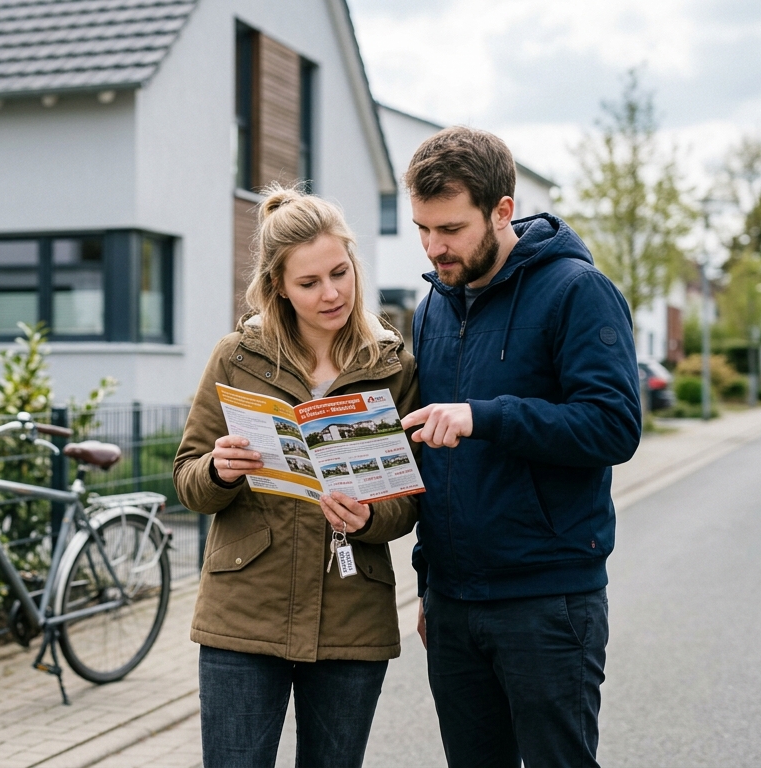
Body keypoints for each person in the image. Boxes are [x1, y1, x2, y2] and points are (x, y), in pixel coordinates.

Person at [399, 126, 642, 767]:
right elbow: (434, 458)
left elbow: (614, 425)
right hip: (453, 603)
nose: (433, 247)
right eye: (423, 228)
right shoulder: (432, 307)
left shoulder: (576, 291)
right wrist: (429, 584)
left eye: (449, 229)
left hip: (547, 601)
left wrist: (488, 417)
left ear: (502, 211)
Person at [173, 184, 419, 768]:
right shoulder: (237, 356)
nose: (331, 293)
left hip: (350, 617)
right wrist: (220, 470)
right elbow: (187, 478)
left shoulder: (392, 366)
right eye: (309, 283)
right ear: (277, 287)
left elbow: (408, 499)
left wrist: (370, 516)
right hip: (243, 615)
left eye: (340, 272)